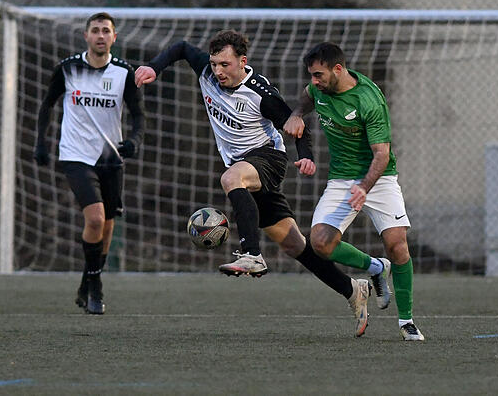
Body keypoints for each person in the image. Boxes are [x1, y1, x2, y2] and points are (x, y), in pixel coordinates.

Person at [135, 30, 375, 337]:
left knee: (230, 178)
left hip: (267, 159)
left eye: (225, 64)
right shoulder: (208, 73)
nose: (218, 71)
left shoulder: (260, 93)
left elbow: (295, 123)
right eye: (214, 64)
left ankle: (251, 254)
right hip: (247, 167)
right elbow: (181, 47)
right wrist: (155, 67)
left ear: (242, 61)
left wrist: (305, 156)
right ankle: (354, 290)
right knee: (294, 245)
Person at [283, 41, 424, 341]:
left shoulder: (368, 100)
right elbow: (307, 98)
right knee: (319, 242)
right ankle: (375, 268)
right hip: (342, 180)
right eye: (311, 75)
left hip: (379, 177)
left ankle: (407, 321)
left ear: (338, 69)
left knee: (397, 244)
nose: (314, 81)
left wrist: (364, 187)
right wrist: (297, 113)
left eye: (318, 75)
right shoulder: (319, 89)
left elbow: (382, 155)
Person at [35, 12, 144, 315]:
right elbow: (47, 105)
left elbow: (138, 114)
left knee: (107, 224)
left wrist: (135, 140)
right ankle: (96, 286)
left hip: (110, 158)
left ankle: (88, 280)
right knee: (95, 218)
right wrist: (40, 143)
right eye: (95, 30)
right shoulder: (68, 68)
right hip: (75, 155)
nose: (100, 35)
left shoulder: (124, 72)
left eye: (105, 31)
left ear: (114, 37)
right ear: (85, 35)